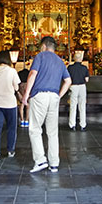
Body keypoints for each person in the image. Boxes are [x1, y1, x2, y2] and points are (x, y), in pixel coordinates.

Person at [21, 36, 72, 174]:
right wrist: (59, 95)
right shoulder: (60, 61)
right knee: (52, 132)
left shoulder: (40, 56)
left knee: (35, 129)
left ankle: (40, 160)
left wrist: (26, 94)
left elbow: (32, 74)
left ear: (43, 46)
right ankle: (54, 163)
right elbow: (68, 81)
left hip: (40, 96)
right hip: (54, 97)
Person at [0, 50, 21, 161]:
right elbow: (16, 87)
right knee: (11, 128)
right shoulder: (12, 71)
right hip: (10, 103)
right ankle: (10, 150)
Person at [67, 51, 89, 131]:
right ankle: (83, 125)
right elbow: (87, 79)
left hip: (73, 86)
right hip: (82, 87)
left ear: (74, 58)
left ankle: (72, 125)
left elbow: (67, 78)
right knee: (82, 106)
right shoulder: (84, 68)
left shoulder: (70, 67)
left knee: (73, 106)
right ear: (81, 59)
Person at [17, 60, 31, 128]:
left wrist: (18, 93)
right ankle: (27, 120)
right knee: (28, 105)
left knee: (21, 104)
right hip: (28, 88)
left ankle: (22, 120)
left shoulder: (19, 75)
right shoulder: (29, 74)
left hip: (20, 89)